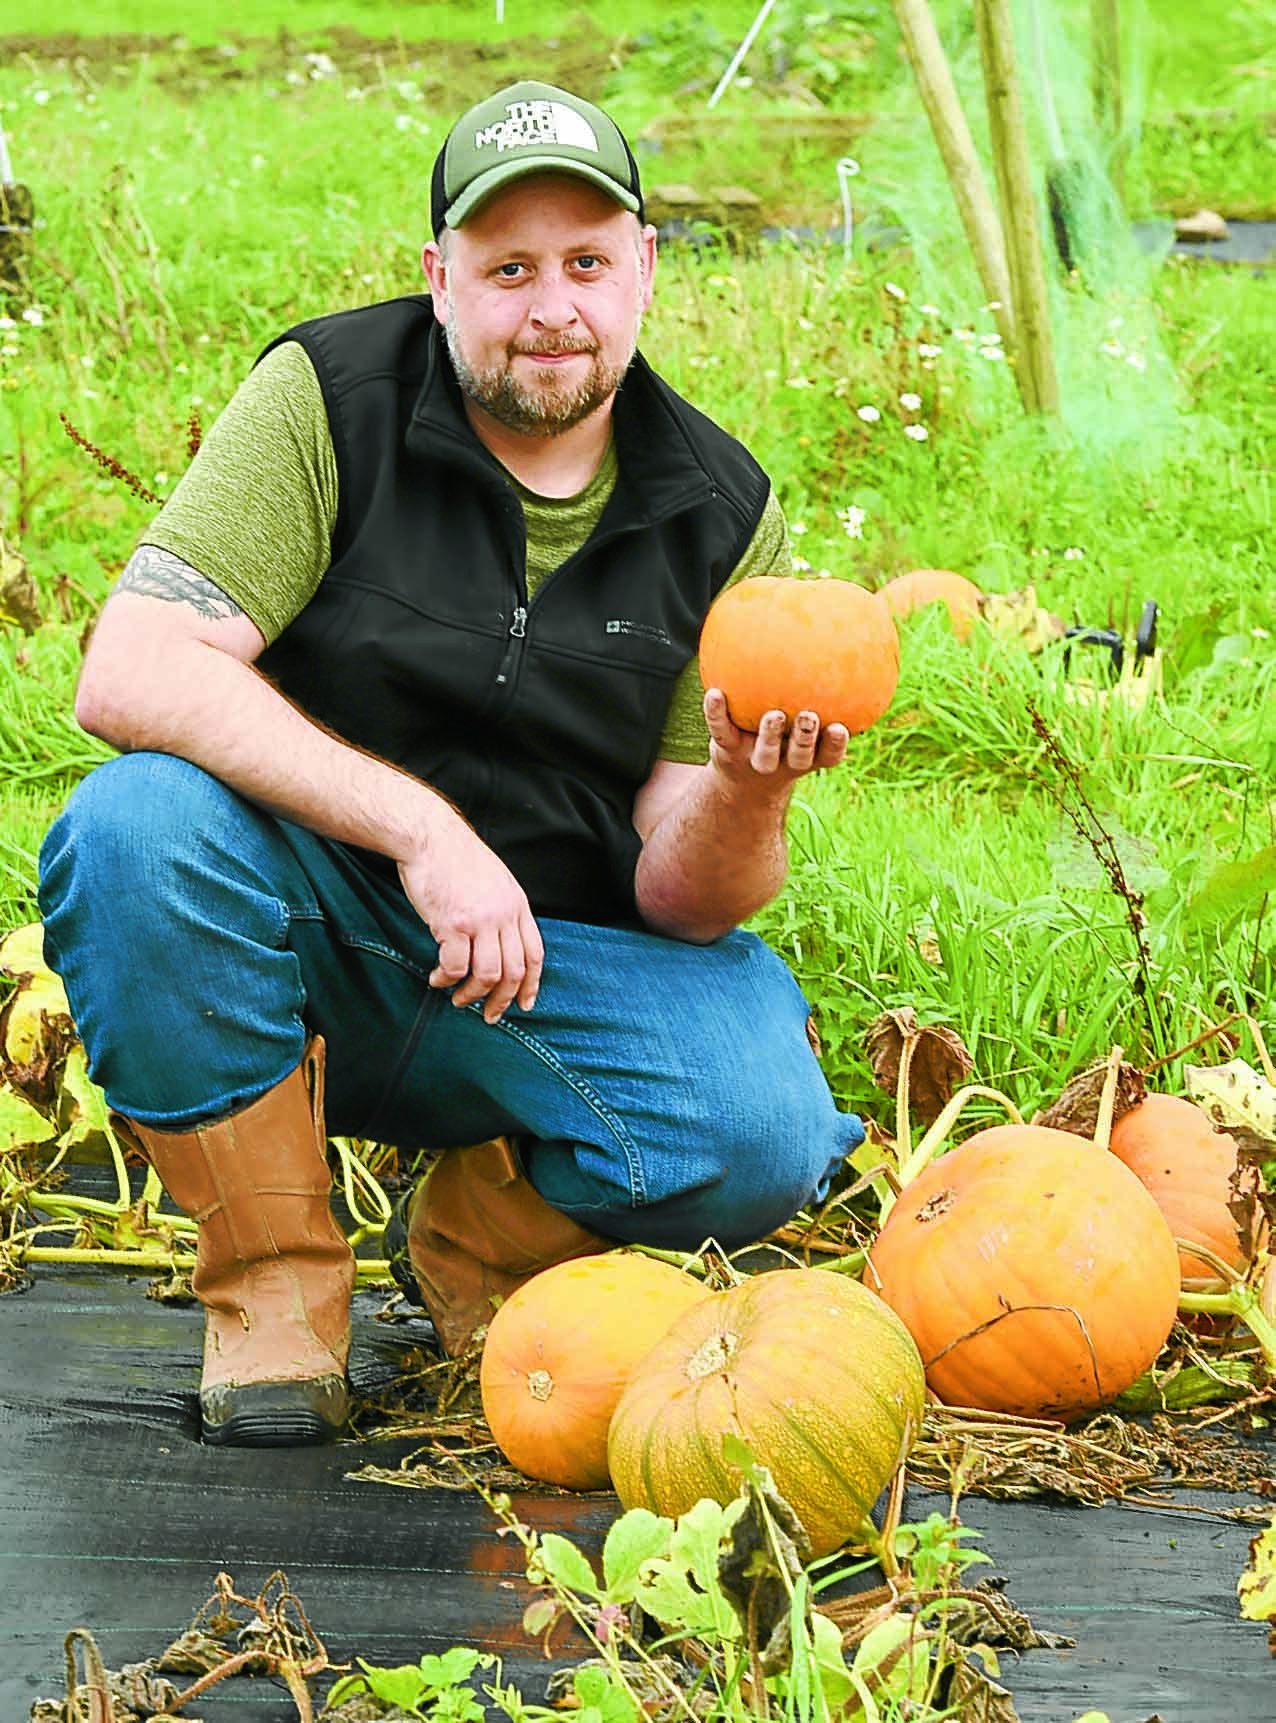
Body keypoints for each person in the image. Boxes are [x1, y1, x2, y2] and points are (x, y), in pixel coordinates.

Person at [37, 80, 865, 1449]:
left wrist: (747, 784)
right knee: (133, 833)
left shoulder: (720, 512)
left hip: (547, 969)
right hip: (308, 933)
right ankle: (277, 1288)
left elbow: (687, 899)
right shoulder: (328, 399)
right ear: (440, 279)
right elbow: (130, 666)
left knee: (764, 1123)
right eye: (509, 269)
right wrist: (421, 831)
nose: (553, 308)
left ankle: (483, 1233)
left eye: (589, 263)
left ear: (647, 268)